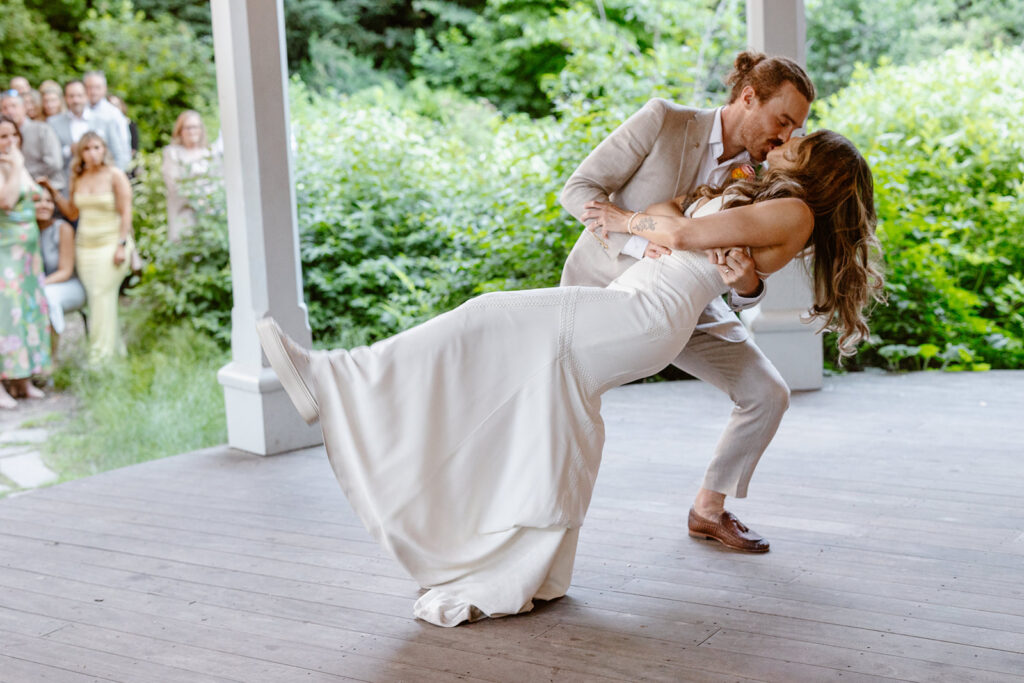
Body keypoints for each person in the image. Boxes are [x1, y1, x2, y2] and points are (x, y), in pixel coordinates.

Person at [255, 129, 883, 627]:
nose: (791, 136)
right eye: (790, 125)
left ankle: (336, 376)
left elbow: (683, 230)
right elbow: (676, 213)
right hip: (640, 296)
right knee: (558, 412)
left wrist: (624, 220)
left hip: (646, 314)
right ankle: (537, 567)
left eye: (803, 138)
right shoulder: (759, 191)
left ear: (818, 166)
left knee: (488, 313)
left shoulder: (794, 212)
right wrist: (660, 224)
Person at [560, 51, 815, 553]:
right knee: (568, 407)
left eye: (796, 128)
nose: (786, 137)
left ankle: (708, 510)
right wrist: (639, 243)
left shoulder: (767, 177)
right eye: (782, 120)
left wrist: (746, 289)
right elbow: (579, 189)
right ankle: (547, 518)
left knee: (768, 393)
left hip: (693, 307)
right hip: (607, 291)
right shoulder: (664, 120)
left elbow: (748, 268)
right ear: (748, 97)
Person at [39, 132, 134, 363]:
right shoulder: (78, 178)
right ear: (80, 153)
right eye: (87, 149)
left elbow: (126, 212)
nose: (93, 153)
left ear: (104, 149)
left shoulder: (115, 175)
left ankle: (99, 357)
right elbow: (72, 212)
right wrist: (52, 191)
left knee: (101, 294)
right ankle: (116, 351)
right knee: (98, 298)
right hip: (85, 246)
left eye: (97, 147)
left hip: (111, 243)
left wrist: (121, 244)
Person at [0, 115, 51, 408]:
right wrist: (16, 166)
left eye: (13, 136)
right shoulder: (10, 165)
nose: (9, 142)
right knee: (6, 315)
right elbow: (5, 201)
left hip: (28, 255)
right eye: (3, 137)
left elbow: (32, 197)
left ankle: (23, 379)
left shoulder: (19, 163)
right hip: (5, 253)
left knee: (27, 312)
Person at [35, 187, 86, 358]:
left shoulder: (63, 228)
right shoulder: (26, 232)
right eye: (38, 201)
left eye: (48, 201)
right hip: (38, 288)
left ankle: (51, 358)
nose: (43, 205)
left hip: (68, 285)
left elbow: (65, 272)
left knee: (47, 297)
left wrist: (38, 286)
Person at [48, 80, 129, 185]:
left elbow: (118, 154)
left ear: (86, 96)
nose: (75, 100)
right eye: (71, 96)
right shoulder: (53, 123)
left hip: (102, 183)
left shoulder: (105, 121)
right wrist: (69, 150)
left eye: (79, 95)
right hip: (69, 184)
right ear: (65, 98)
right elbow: (50, 157)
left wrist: (114, 181)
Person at [162, 110, 216, 241]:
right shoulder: (172, 153)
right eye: (188, 127)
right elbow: (174, 184)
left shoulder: (209, 153)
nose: (192, 131)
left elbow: (217, 181)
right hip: (184, 212)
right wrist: (198, 198)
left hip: (209, 213)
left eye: (195, 127)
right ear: (180, 131)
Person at [0, 91, 65, 195]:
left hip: (50, 191)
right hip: (17, 193)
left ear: (24, 108)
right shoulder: (3, 137)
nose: (10, 111)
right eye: (4, 108)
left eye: (14, 106)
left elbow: (54, 163)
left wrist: (21, 171)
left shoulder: (42, 129)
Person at [83, 71, 131, 172]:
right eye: (90, 87)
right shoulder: (79, 111)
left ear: (105, 89)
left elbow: (123, 148)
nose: (93, 91)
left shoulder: (114, 114)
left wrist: (118, 174)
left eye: (97, 87)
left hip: (108, 171)